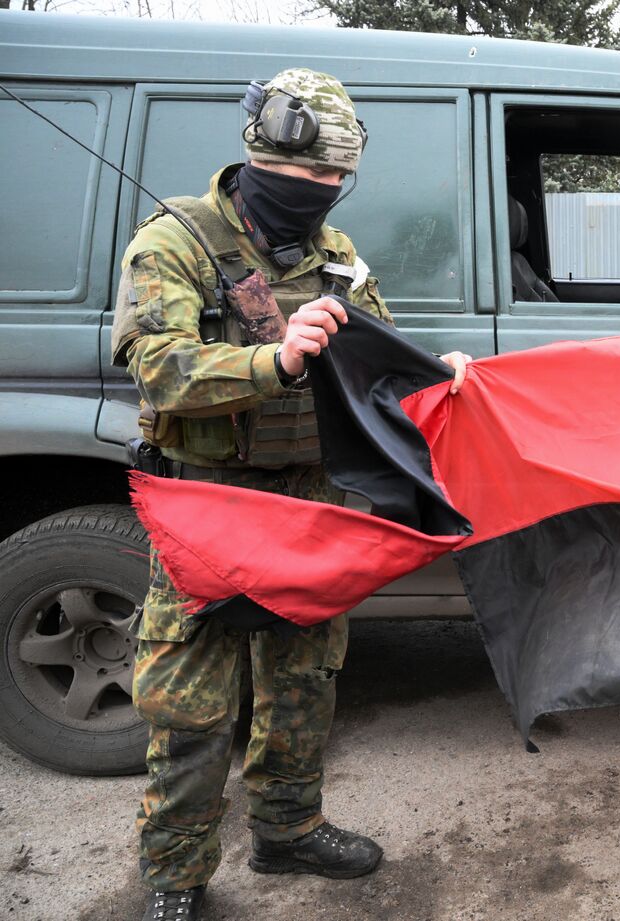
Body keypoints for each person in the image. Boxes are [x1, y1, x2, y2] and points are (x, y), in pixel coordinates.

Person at [111, 69, 469, 921]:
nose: (323, 193)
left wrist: (437, 376)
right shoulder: (174, 242)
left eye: (335, 181)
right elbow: (156, 369)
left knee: (304, 679)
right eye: (310, 178)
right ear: (261, 156)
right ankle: (175, 875)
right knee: (192, 706)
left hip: (311, 507)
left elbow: (379, 360)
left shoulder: (337, 259)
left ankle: (288, 828)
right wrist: (274, 360)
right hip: (209, 508)